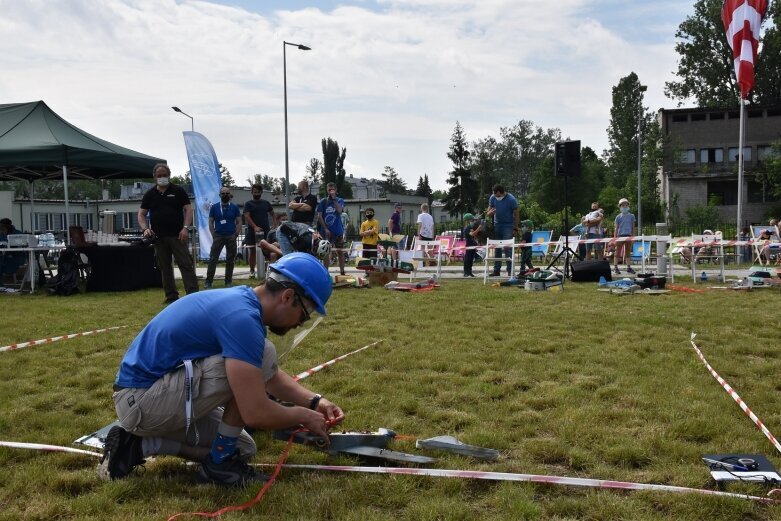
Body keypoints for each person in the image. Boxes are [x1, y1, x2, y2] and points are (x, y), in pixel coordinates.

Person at [100, 253, 343, 486]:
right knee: (262, 354)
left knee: (242, 448)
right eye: (306, 313)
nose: (301, 322)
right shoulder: (242, 319)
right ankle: (219, 466)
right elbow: (255, 412)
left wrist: (314, 401)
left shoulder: (243, 304)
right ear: (288, 296)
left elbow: (266, 376)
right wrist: (303, 416)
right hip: (140, 401)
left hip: (148, 396)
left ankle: (139, 446)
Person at [138, 164, 199, 304]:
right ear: (154, 177)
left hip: (178, 236)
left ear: (169, 175)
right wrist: (145, 229)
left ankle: (193, 295)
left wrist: (185, 228)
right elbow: (141, 214)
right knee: (164, 267)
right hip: (158, 238)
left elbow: (188, 210)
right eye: (159, 176)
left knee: (186, 264)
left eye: (164, 175)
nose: (162, 178)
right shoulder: (150, 194)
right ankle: (171, 296)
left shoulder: (178, 191)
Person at [204, 187, 242, 289]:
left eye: (227, 193)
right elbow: (211, 222)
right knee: (213, 259)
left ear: (230, 195)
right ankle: (208, 282)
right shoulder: (214, 207)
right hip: (218, 236)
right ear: (220, 195)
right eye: (223, 193)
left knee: (230, 260)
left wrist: (236, 234)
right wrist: (213, 234)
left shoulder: (234, 207)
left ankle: (228, 281)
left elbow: (239, 221)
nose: (225, 195)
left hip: (231, 236)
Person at [243, 184, 275, 279]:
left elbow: (272, 213)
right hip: (253, 232)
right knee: (253, 251)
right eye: (254, 192)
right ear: (251, 192)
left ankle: (266, 270)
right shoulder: (248, 204)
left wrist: (274, 224)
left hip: (265, 231)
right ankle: (252, 271)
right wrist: (255, 226)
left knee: (266, 250)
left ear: (261, 192)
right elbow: (247, 216)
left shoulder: (266, 203)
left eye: (258, 192)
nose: (256, 193)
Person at [486, 184, 519, 276]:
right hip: (497, 225)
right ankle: (496, 270)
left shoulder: (511, 199)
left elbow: (516, 214)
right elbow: (488, 212)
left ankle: (510, 271)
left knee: (508, 248)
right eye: (495, 195)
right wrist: (490, 213)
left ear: (501, 193)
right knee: (497, 248)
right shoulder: (492, 197)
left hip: (508, 226)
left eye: (497, 196)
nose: (496, 197)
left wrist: (516, 228)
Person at [259, 221, 329, 263]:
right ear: (315, 246)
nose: (316, 254)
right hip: (283, 232)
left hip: (294, 231)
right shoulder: (304, 242)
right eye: (316, 252)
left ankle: (277, 246)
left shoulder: (318, 238)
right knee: (289, 258)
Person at [316, 182, 346, 275]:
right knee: (326, 252)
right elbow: (319, 216)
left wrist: (334, 200)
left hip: (338, 231)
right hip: (326, 232)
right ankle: (325, 272)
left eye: (332, 190)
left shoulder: (340, 200)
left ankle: (342, 272)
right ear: (327, 190)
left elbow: (339, 211)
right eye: (329, 190)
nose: (330, 191)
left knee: (340, 252)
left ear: (336, 190)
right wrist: (325, 228)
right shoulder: (323, 202)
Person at [612, 198, 636, 275]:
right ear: (620, 206)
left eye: (626, 205)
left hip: (628, 236)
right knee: (617, 252)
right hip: (620, 236)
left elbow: (633, 227)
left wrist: (633, 237)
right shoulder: (618, 217)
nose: (625, 206)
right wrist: (615, 238)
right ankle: (615, 267)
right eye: (623, 205)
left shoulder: (632, 216)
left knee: (628, 252)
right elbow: (616, 228)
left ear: (628, 206)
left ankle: (629, 267)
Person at [0, 218, 27, 282]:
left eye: (2, 229)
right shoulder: (1, 234)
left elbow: (24, 246)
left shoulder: (19, 234)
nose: (1, 231)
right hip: (4, 257)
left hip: (16, 258)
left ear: (8, 227)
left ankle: (1, 285)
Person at [461, 213, 481, 277]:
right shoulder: (467, 228)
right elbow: (472, 234)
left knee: (471, 259)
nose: (472, 221)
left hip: (473, 245)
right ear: (467, 221)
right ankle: (466, 272)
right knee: (468, 259)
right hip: (469, 245)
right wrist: (479, 227)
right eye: (471, 220)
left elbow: (474, 235)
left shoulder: (471, 227)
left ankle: (470, 272)